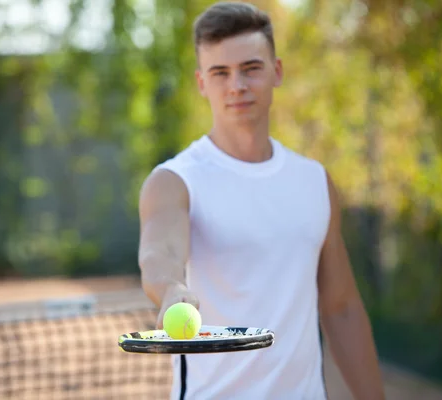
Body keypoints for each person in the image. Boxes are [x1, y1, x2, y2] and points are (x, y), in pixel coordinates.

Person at [137, 2, 385, 399]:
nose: (237, 85)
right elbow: (159, 252)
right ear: (202, 83)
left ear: (277, 72)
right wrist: (170, 290)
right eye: (220, 73)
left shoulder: (314, 181)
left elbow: (341, 308)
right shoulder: (174, 181)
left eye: (251, 68)